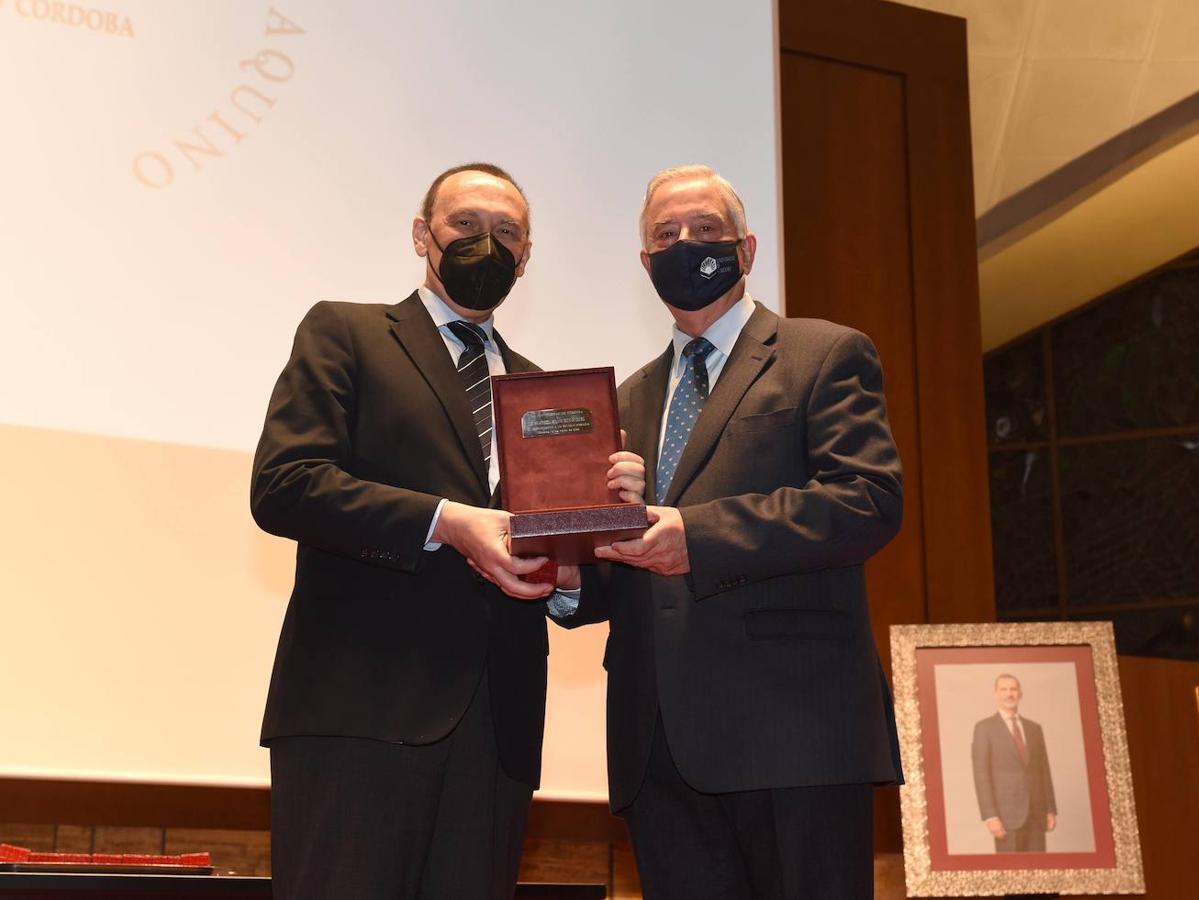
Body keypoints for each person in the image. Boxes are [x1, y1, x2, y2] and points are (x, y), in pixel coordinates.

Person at [250, 162, 644, 899]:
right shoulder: (348, 331)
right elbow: (286, 486)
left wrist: (571, 564)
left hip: (495, 726)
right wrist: (449, 522)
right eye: (465, 224)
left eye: (506, 233)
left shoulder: (548, 394)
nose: (484, 243)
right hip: (360, 712)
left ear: (525, 258)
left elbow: (563, 569)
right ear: (421, 234)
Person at [554, 164, 904, 899]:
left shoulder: (822, 354)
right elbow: (632, 553)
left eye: (705, 230)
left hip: (795, 730)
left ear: (745, 250)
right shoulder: (618, 402)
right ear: (645, 263)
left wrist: (699, 535)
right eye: (665, 235)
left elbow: (866, 498)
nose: (685, 245)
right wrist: (568, 579)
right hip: (658, 744)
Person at [971, 673, 1058, 852]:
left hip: (1037, 815)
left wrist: (1050, 809)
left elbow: (1044, 771)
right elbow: (981, 776)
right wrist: (990, 816)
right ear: (996, 694)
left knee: (1039, 873)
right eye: (1004, 689)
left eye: (1013, 689)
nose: (1009, 694)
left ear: (1020, 693)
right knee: (1010, 874)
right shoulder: (984, 729)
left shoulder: (1034, 729)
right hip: (1006, 818)